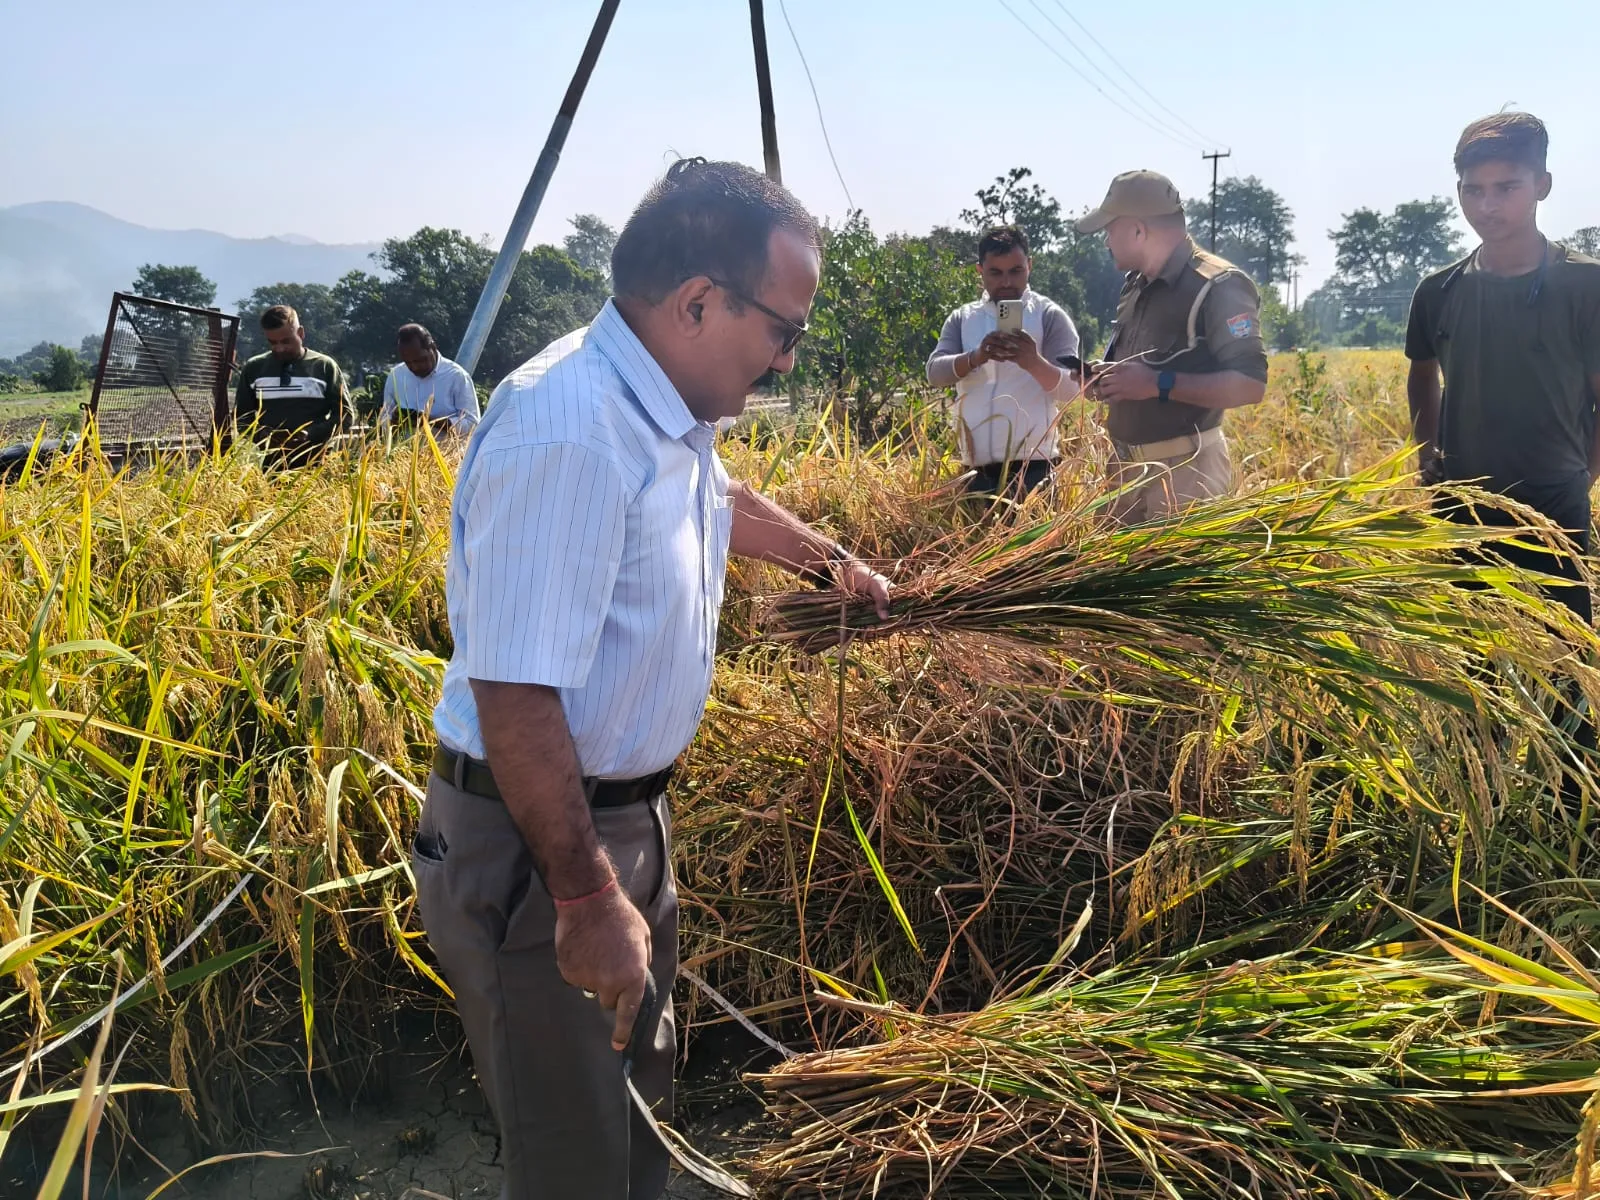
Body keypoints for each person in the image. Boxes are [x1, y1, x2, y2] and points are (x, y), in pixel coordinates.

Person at [413, 158, 893, 1200]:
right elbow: (516, 693)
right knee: (572, 1153)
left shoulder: (664, 406)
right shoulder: (570, 433)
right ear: (696, 303)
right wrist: (586, 896)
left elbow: (723, 493)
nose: (785, 356)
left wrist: (832, 567)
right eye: (783, 329)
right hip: (541, 846)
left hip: (617, 824)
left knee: (634, 1107)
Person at [1405, 111, 1600, 625]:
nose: (1487, 206)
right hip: (1463, 506)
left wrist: (1584, 477)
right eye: (1473, 190)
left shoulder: (1585, 286)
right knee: (1475, 665)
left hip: (1552, 508)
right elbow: (1422, 373)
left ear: (1543, 185)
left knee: (1562, 667)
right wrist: (1428, 458)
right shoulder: (1438, 291)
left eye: (1506, 188)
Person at [1075, 171, 1268, 524]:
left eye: (1110, 230)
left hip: (1185, 477)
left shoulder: (1219, 286)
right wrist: (1106, 380)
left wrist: (1156, 383)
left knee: (1179, 582)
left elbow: (1251, 385)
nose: (1106, 241)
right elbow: (1133, 369)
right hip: (1124, 472)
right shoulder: (1134, 286)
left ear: (1137, 229)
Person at [925, 225, 1080, 497]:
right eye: (996, 273)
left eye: (1015, 271)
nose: (1007, 282)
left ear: (1029, 266)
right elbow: (935, 373)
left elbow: (1073, 390)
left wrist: (1032, 361)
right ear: (980, 271)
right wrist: (976, 357)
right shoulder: (962, 318)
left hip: (1035, 468)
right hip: (976, 471)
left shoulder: (1048, 315)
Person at [234, 305, 351, 468]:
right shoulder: (254, 368)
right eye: (272, 342)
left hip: (316, 464)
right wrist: (262, 436)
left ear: (301, 333)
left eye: (286, 341)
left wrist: (311, 435)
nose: (279, 348)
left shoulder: (323, 366)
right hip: (272, 465)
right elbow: (241, 418)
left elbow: (345, 416)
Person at [379, 323, 481, 437]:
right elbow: (383, 419)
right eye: (408, 363)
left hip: (446, 453)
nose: (414, 367)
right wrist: (393, 419)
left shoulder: (457, 376)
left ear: (432, 347)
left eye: (420, 360)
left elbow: (472, 424)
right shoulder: (396, 375)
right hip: (406, 453)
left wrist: (428, 421)